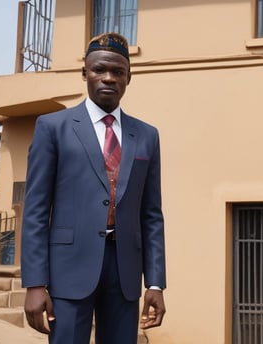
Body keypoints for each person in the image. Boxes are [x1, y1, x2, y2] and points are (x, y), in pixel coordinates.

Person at [21, 32, 166, 344]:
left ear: (129, 77)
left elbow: (152, 215)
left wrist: (155, 283)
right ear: (85, 73)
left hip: (125, 270)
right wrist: (34, 283)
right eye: (100, 69)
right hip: (68, 269)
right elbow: (34, 212)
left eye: (118, 71)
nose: (109, 78)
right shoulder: (53, 128)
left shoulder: (147, 136)